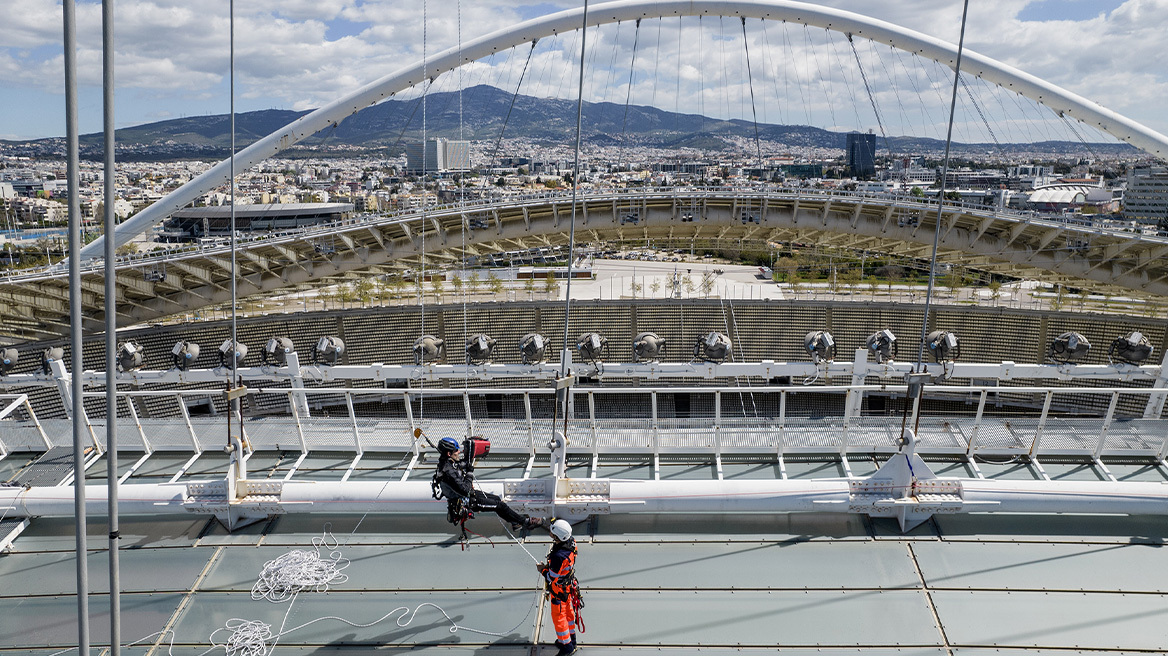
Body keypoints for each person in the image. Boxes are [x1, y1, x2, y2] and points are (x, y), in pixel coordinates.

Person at [433, 437, 545, 531]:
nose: (459, 452)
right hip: (468, 502)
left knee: (496, 498)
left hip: (469, 496)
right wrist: (470, 474)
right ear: (449, 453)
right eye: (456, 451)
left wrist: (467, 461)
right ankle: (526, 522)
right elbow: (465, 489)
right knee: (500, 506)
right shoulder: (447, 472)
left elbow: (458, 466)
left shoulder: (447, 463)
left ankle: (515, 523)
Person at [538, 519, 580, 655]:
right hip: (567, 588)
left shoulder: (558, 557)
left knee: (559, 618)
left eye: (552, 531)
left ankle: (566, 646)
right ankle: (571, 640)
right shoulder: (571, 542)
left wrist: (542, 569)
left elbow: (551, 577)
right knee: (569, 613)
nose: (550, 532)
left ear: (557, 537)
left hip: (559, 591)